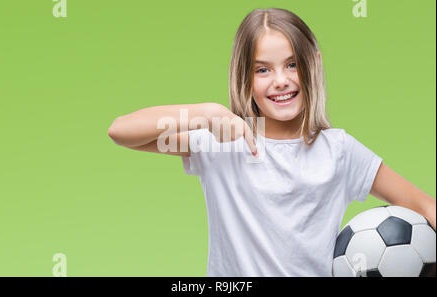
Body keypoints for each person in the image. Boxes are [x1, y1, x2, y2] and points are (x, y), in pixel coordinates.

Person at [107, 8, 436, 277]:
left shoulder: (339, 151)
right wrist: (204, 113)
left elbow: (423, 205)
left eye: (292, 64)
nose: (281, 80)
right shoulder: (220, 141)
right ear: (245, 79)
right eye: (263, 70)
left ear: (314, 64)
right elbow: (122, 131)